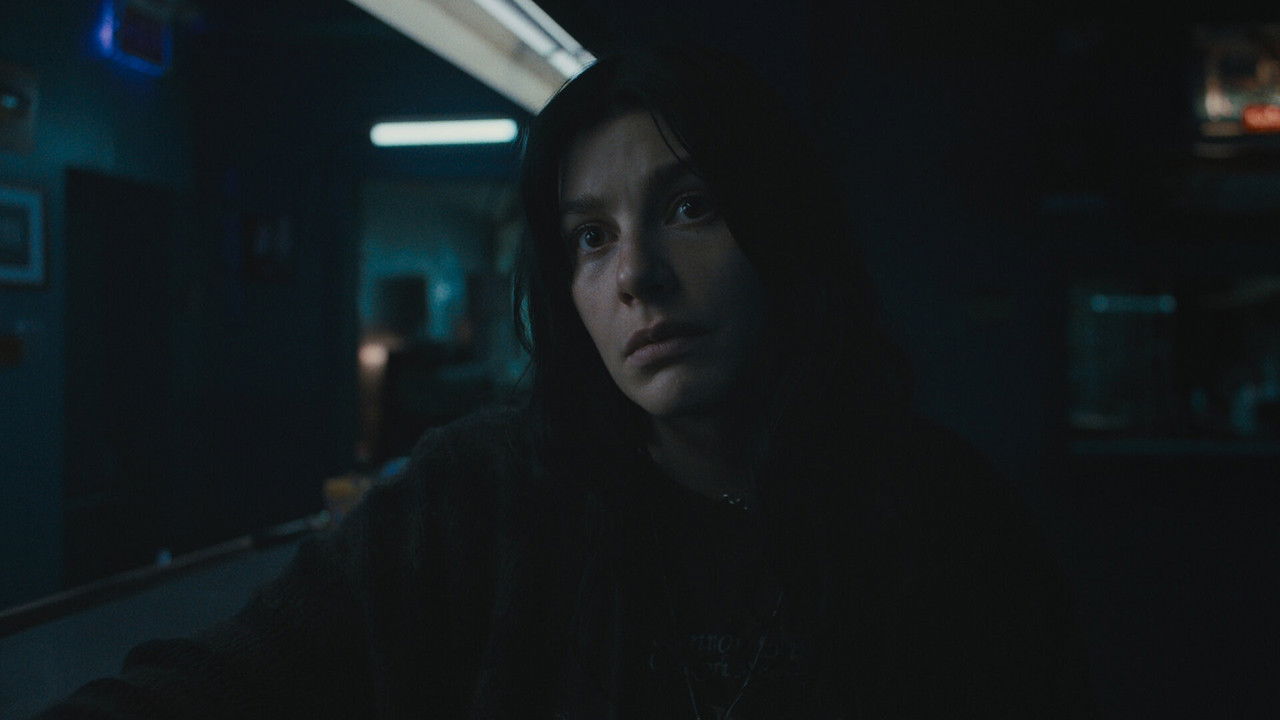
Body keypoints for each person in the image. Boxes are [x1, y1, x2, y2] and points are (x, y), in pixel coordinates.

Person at [35, 45, 1095, 719]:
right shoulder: (477, 500)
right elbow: (232, 682)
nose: (636, 275)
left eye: (689, 207)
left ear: (783, 227)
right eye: (590, 236)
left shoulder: (949, 526)